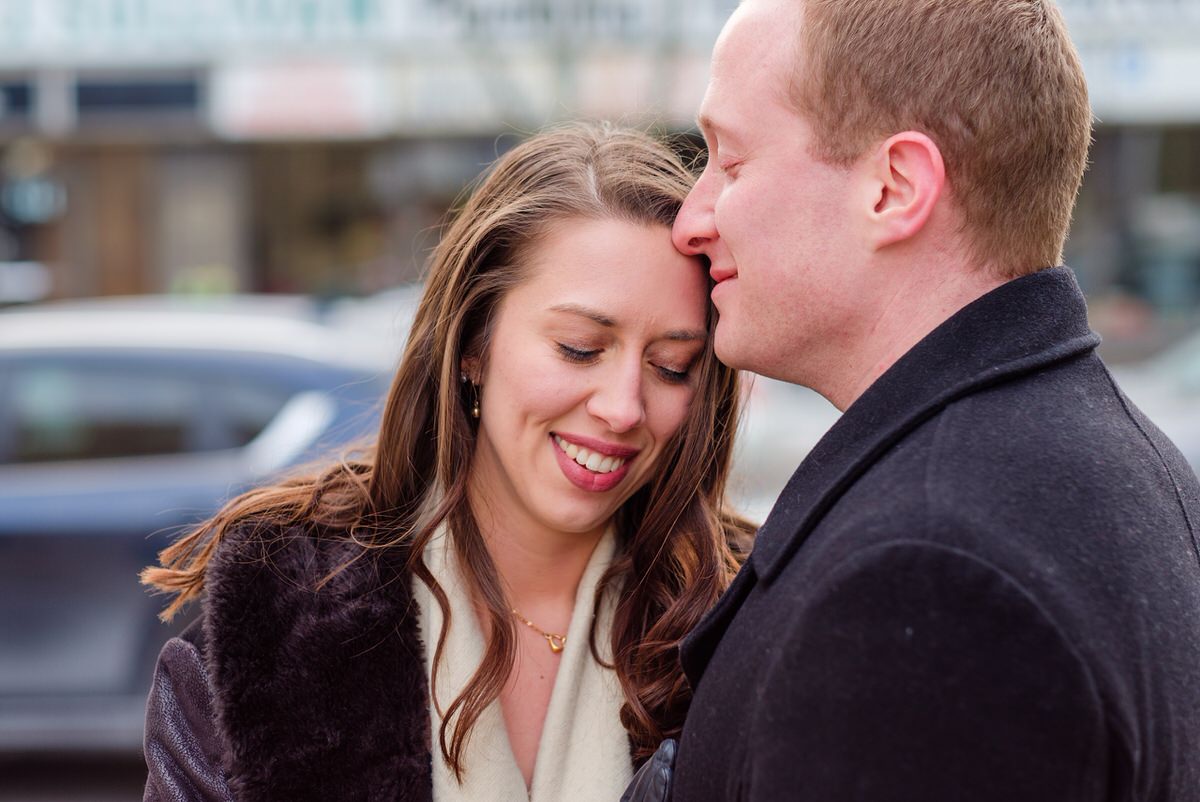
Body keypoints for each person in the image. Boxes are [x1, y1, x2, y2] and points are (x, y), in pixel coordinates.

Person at [626, 0, 1200, 800]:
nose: (692, 220)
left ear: (894, 188)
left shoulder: (925, 580)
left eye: (731, 162)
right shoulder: (1118, 466)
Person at [139, 122, 753, 802]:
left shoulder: (743, 615)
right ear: (472, 345)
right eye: (580, 348)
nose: (624, 407)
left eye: (672, 367)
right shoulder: (279, 612)